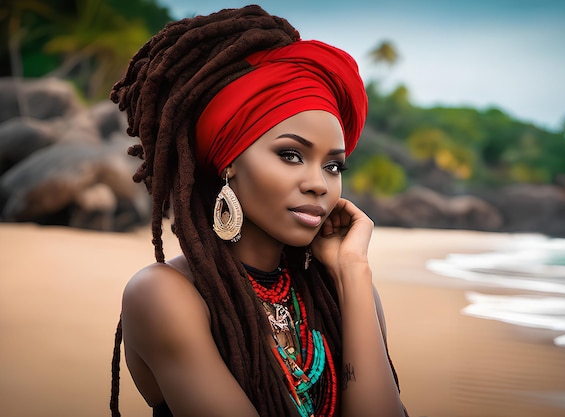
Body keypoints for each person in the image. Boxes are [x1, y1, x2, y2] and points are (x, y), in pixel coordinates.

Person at [109, 5, 408, 417]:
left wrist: (354, 272)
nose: (319, 183)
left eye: (333, 165)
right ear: (229, 159)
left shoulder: (344, 291)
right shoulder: (165, 296)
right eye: (290, 155)